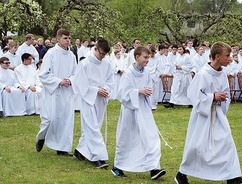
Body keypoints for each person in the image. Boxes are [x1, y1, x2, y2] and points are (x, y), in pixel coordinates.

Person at [174, 42, 242, 184]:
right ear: (217, 56)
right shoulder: (203, 74)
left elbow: (225, 93)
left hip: (218, 115)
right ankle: (181, 174)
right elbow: (193, 94)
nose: (230, 59)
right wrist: (212, 97)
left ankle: (233, 178)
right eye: (227, 56)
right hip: (203, 117)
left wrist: (222, 100)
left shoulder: (222, 74)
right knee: (197, 146)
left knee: (227, 142)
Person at [111, 46, 166, 180]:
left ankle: (154, 168)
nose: (147, 60)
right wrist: (138, 92)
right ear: (137, 57)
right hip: (130, 110)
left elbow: (148, 86)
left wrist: (146, 92)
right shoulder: (128, 74)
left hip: (143, 109)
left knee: (150, 137)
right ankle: (118, 166)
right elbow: (122, 94)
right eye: (145, 57)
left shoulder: (146, 72)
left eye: (148, 57)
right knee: (128, 139)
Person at [71, 38, 113, 168]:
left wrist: (105, 89)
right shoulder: (84, 64)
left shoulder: (107, 64)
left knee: (94, 126)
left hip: (100, 99)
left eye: (105, 55)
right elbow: (80, 83)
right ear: (95, 49)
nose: (102, 57)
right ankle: (97, 156)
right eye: (101, 53)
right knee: (92, 127)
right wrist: (96, 90)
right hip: (88, 99)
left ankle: (79, 151)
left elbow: (110, 80)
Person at [35, 29, 77, 156]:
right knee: (50, 119)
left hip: (66, 92)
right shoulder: (51, 53)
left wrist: (70, 80)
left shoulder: (72, 55)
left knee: (65, 120)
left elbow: (76, 72)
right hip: (53, 91)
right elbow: (43, 74)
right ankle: (41, 137)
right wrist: (58, 81)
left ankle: (62, 148)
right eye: (65, 38)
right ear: (58, 39)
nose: (68, 40)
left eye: (69, 38)